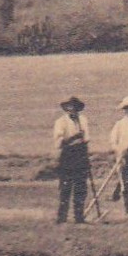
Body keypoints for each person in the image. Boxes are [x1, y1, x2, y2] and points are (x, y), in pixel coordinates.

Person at [53, 96, 92, 224]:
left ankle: (79, 217)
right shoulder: (61, 122)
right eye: (70, 107)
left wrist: (87, 157)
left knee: (81, 187)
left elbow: (86, 139)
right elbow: (58, 143)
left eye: (74, 107)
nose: (72, 110)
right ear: (66, 108)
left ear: (77, 109)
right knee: (65, 187)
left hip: (81, 155)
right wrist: (74, 137)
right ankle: (62, 217)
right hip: (68, 155)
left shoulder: (83, 120)